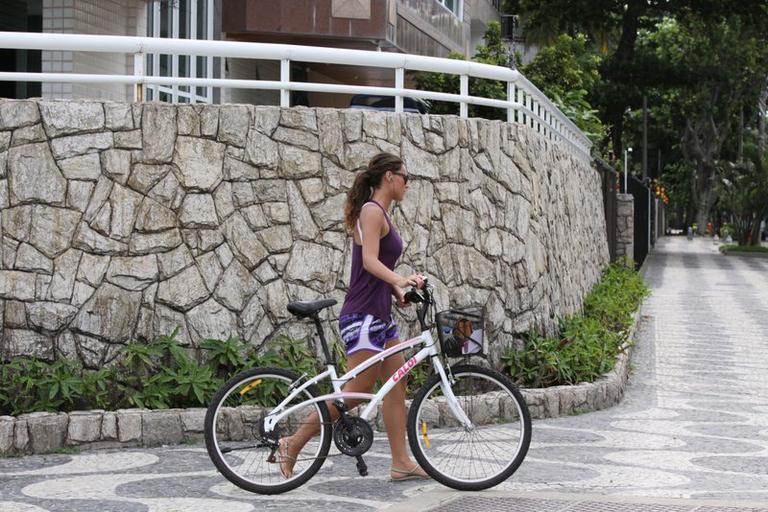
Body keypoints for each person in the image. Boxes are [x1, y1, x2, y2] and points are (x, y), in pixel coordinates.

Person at [277, 152, 429, 482]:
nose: (407, 184)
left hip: (380, 314)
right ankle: (293, 444)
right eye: (406, 177)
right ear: (389, 176)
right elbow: (371, 263)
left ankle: (401, 462)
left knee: (397, 385)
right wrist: (400, 279)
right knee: (356, 391)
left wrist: (397, 292)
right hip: (362, 316)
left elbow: (375, 272)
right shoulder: (372, 211)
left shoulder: (380, 213)